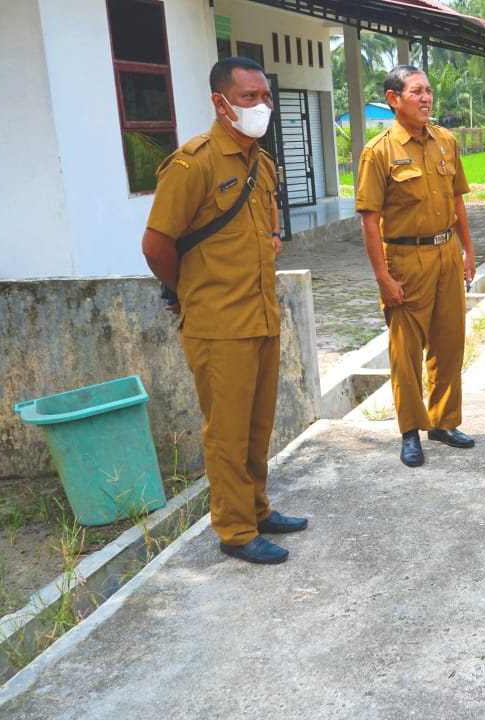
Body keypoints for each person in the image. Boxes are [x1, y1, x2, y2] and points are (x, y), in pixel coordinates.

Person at [142, 56, 307, 565]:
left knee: (258, 425)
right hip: (218, 325)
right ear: (221, 103)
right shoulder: (193, 164)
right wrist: (187, 291)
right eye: (248, 97)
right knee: (227, 430)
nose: (261, 106)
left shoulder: (261, 163)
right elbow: (156, 245)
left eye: (265, 96)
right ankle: (235, 530)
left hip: (260, 316)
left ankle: (256, 508)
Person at [356, 65, 477, 468]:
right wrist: (383, 278)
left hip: (446, 253)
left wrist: (468, 251)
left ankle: (443, 421)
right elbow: (369, 221)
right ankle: (410, 430)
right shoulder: (379, 151)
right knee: (405, 351)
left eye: (428, 91)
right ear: (393, 99)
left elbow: (458, 200)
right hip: (405, 259)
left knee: (449, 342)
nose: (426, 98)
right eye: (416, 92)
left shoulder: (446, 141)